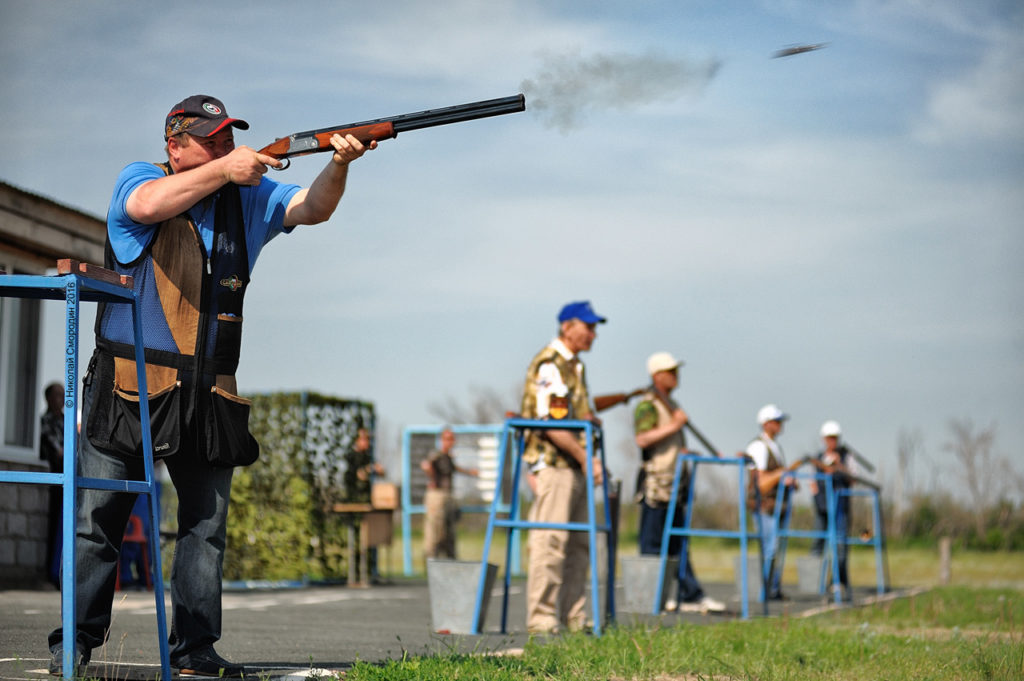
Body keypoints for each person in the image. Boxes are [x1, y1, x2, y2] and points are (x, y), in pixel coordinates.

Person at [48, 94, 375, 677]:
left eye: (228, 138)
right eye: (211, 139)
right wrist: (225, 169)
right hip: (129, 386)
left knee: (205, 530)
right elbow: (146, 205)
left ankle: (196, 651)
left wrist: (340, 162)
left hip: (209, 394)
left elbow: (313, 207)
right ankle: (73, 644)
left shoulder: (248, 197)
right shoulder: (142, 177)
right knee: (97, 523)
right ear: (174, 144)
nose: (225, 146)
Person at [520, 300, 606, 634]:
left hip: (574, 466)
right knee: (551, 541)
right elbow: (552, 425)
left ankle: (574, 617)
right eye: (588, 327)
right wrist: (587, 458)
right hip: (557, 466)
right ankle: (542, 618)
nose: (593, 334)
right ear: (567, 326)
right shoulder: (551, 364)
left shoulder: (574, 366)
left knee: (578, 545)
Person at [633, 352, 725, 613]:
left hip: (675, 485)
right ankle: (649, 596)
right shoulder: (648, 404)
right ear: (657, 375)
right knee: (652, 545)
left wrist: (683, 452)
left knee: (679, 544)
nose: (676, 375)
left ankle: (689, 594)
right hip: (656, 487)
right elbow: (642, 439)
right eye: (671, 371)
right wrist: (674, 426)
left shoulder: (669, 404)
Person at [744, 403, 796, 600]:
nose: (780, 425)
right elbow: (761, 483)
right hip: (764, 506)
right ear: (766, 424)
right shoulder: (758, 446)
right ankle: (763, 590)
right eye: (776, 421)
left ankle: (773, 588)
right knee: (769, 547)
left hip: (777, 506)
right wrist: (781, 474)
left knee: (776, 547)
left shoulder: (775, 446)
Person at [808, 420, 857, 598]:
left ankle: (839, 582)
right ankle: (814, 583)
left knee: (840, 546)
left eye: (834, 438)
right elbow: (812, 481)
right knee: (817, 544)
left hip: (840, 508)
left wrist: (839, 467)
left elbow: (854, 479)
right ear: (824, 439)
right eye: (829, 438)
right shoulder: (818, 458)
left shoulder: (847, 457)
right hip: (822, 507)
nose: (832, 442)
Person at [420, 427, 479, 560]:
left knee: (448, 533)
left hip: (448, 497)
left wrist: (470, 472)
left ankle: (449, 563)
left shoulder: (448, 457)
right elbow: (427, 465)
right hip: (436, 496)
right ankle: (431, 561)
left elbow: (455, 469)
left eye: (452, 439)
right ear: (441, 440)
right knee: (435, 532)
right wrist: (429, 472)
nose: (450, 442)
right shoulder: (436, 455)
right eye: (447, 439)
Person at [343, 426, 385, 583]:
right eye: (363, 439)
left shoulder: (369, 457)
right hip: (354, 502)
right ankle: (355, 573)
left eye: (367, 439)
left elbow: (381, 472)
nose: (366, 442)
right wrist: (368, 469)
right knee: (356, 539)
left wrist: (379, 470)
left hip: (368, 502)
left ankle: (370, 571)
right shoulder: (352, 457)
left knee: (371, 539)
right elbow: (357, 475)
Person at [39, 382, 64, 588]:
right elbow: (60, 452)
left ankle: (62, 572)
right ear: (47, 398)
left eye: (63, 395)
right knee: (53, 525)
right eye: (57, 395)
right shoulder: (45, 421)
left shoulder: (66, 420)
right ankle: (50, 574)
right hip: (54, 478)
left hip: (67, 477)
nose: (61, 399)